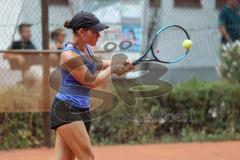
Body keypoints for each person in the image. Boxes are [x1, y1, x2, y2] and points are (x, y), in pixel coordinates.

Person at [50, 11, 134, 160]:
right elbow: (91, 81)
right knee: (87, 158)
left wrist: (118, 63)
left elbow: (97, 63)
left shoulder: (86, 48)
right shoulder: (69, 55)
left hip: (81, 110)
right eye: (95, 32)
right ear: (82, 32)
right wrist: (113, 68)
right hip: (67, 110)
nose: (99, 36)